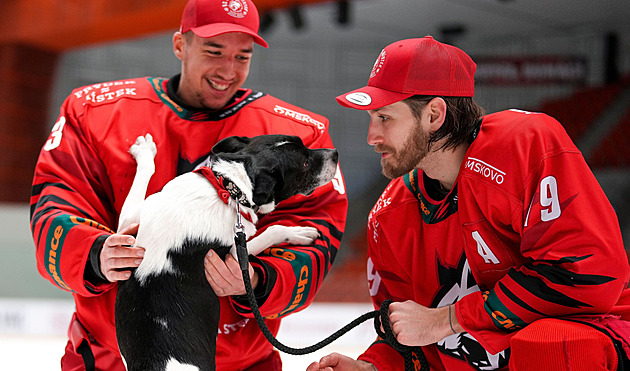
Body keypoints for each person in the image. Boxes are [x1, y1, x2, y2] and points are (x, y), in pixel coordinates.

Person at [30, 0, 348, 369]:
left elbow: (317, 232)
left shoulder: (299, 137)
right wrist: (94, 252)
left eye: (241, 57)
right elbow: (56, 202)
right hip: (109, 359)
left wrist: (259, 278)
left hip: (240, 364)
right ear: (180, 44)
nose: (227, 70)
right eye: (214, 51)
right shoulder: (94, 113)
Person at [307, 36, 630, 371]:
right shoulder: (388, 216)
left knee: (551, 346)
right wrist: (372, 368)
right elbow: (412, 338)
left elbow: (589, 278)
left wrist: (447, 319)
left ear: (434, 115)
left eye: (385, 118)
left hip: (595, 340)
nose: (371, 136)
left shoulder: (523, 145)